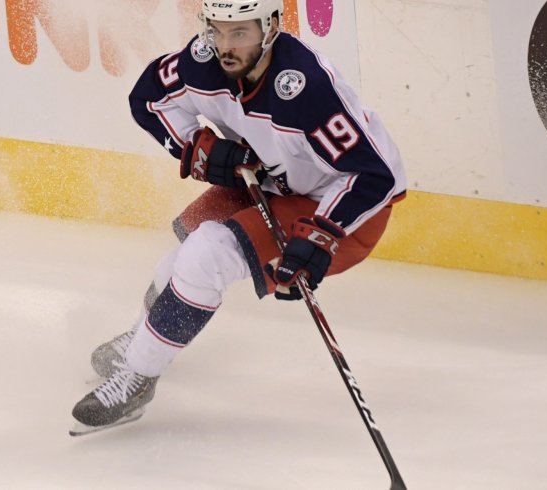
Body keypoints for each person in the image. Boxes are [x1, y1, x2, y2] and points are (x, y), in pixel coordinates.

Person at [70, 0, 406, 433]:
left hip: (342, 209)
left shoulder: (305, 88)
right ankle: (143, 342)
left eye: (240, 32)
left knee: (207, 253)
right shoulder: (205, 59)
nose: (225, 45)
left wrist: (320, 235)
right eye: (218, 30)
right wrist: (197, 147)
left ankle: (138, 378)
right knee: (188, 246)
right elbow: (149, 97)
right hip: (270, 183)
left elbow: (375, 175)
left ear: (271, 28)